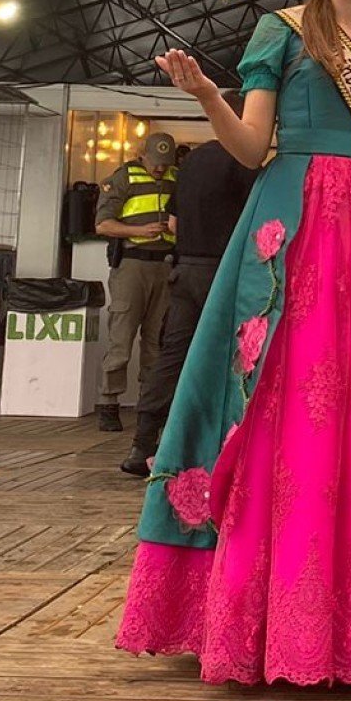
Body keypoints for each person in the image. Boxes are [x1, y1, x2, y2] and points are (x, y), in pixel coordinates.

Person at [120, 0, 351, 689]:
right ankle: (258, 613)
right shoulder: (282, 32)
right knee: (275, 411)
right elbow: (254, 147)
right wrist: (207, 97)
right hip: (291, 234)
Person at [121, 117, 257, 479]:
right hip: (225, 273)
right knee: (229, 359)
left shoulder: (192, 161)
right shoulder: (245, 160)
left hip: (185, 272)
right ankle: (212, 445)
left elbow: (172, 224)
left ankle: (143, 443)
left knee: (172, 356)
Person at [92, 132, 179, 432]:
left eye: (165, 163)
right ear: (142, 154)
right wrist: (139, 231)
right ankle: (108, 402)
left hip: (165, 265)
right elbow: (103, 224)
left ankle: (150, 404)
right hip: (132, 263)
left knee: (157, 341)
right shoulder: (122, 177)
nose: (159, 169)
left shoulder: (175, 178)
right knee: (121, 337)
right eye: (155, 162)